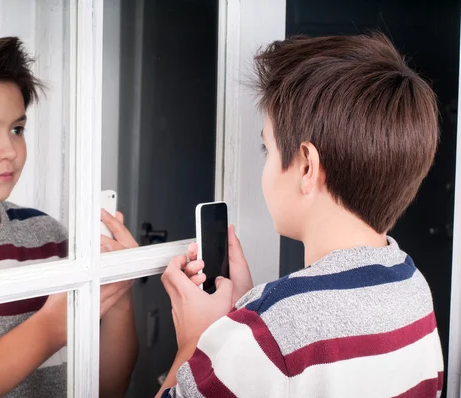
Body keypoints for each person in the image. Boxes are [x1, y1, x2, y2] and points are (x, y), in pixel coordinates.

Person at [158, 33, 444, 397]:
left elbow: (284, 332)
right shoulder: (414, 288)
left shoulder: (274, 328)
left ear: (307, 166)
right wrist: (245, 313)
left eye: (268, 148)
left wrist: (195, 344)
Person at [0, 36, 138, 398]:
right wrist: (50, 329)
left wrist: (119, 296)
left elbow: (106, 388)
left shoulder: (48, 235)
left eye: (17, 129)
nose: (10, 151)